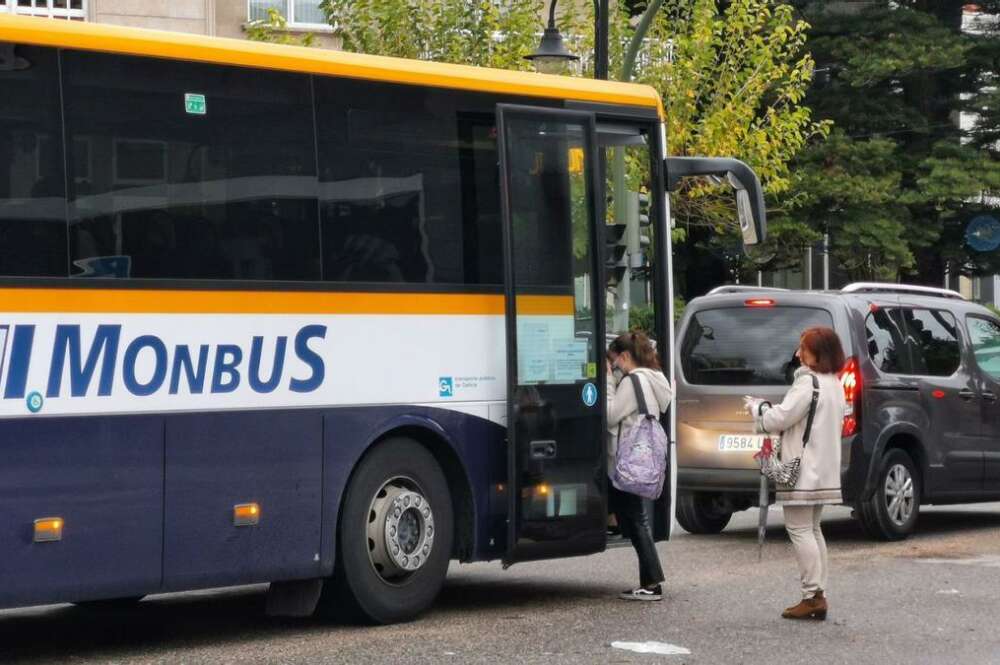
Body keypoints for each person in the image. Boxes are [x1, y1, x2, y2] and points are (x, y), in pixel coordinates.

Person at [745, 327, 847, 621]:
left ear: (818, 354)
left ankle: (811, 595)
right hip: (824, 466)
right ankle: (819, 593)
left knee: (800, 529)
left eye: (803, 348)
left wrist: (758, 408)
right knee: (813, 529)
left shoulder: (807, 383)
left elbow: (780, 418)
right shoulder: (834, 384)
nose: (797, 353)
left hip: (802, 468)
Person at [606, 331, 673, 601]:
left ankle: (652, 583)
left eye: (614, 362)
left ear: (624, 356)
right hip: (640, 459)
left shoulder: (633, 381)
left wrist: (608, 383)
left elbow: (610, 416)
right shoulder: (652, 379)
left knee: (636, 521)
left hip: (627, 461)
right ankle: (651, 581)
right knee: (634, 519)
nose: (614, 367)